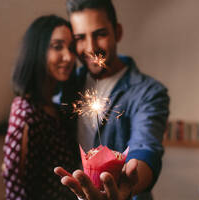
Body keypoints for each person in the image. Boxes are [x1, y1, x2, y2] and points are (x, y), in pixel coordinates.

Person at [54, 0, 170, 200]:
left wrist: (127, 185)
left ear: (117, 32)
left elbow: (146, 149)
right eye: (80, 37)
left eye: (100, 34)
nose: (91, 48)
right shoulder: (67, 84)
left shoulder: (148, 92)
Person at [1, 15, 78, 200]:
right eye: (57, 46)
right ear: (38, 50)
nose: (68, 57)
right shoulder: (25, 112)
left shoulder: (54, 109)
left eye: (71, 48)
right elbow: (16, 190)